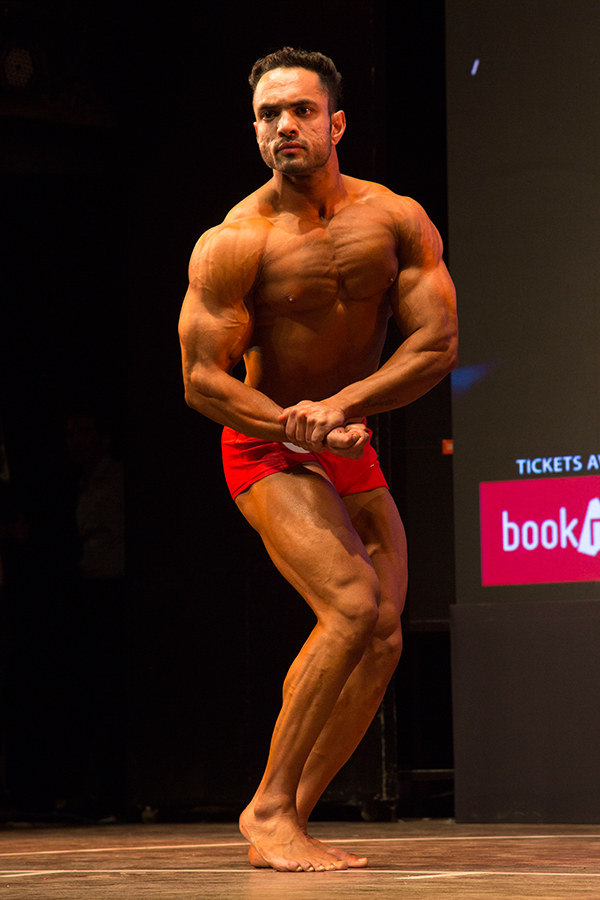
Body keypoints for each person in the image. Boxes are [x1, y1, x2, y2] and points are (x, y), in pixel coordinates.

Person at [178, 47, 457, 872]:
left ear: (336, 122)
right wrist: (298, 426)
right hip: (266, 441)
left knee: (383, 634)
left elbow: (437, 344)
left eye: (300, 111)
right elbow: (201, 380)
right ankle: (268, 809)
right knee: (349, 605)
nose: (285, 127)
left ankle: (288, 819)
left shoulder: (395, 219)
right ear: (255, 129)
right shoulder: (235, 242)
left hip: (343, 434)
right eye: (269, 114)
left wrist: (343, 408)